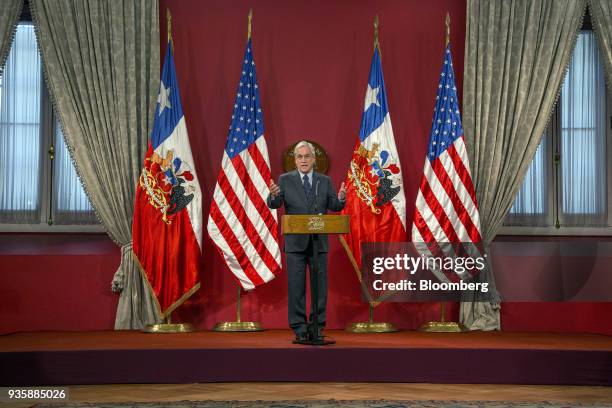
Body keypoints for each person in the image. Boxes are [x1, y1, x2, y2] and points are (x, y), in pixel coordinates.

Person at [267, 140, 346, 342]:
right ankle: (300, 328)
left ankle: (317, 326)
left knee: (320, 288)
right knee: (296, 287)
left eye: (307, 156)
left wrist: (342, 198)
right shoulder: (284, 180)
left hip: (319, 244)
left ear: (313, 159)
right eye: (299, 157)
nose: (303, 160)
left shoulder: (324, 180)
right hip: (295, 244)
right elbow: (275, 203)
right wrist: (273, 195)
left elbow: (334, 206)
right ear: (295, 160)